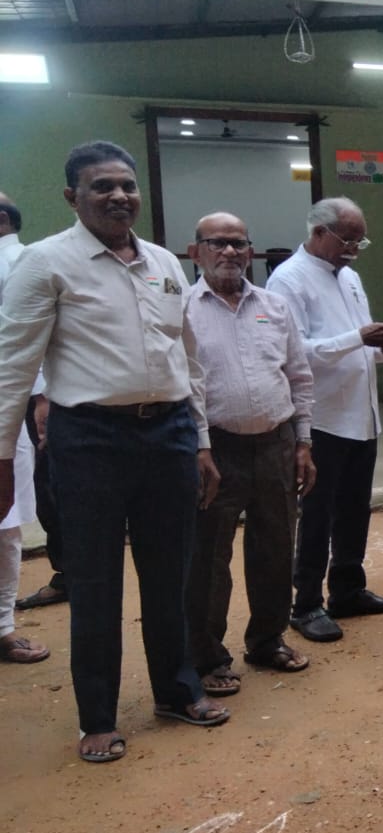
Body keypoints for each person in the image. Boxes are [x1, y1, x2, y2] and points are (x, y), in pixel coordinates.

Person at [0, 141, 229, 763]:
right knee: (96, 581)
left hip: (169, 435)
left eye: (126, 185)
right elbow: (13, 366)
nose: (119, 196)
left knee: (171, 574)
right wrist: (2, 458)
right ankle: (97, 716)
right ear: (73, 196)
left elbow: (188, 359)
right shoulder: (46, 264)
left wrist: (200, 441)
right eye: (102, 186)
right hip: (90, 440)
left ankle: (177, 692)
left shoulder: (161, 262)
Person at [184, 212, 316, 697]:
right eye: (217, 243)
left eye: (239, 243)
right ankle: (207, 655)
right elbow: (185, 388)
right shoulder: (182, 310)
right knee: (208, 557)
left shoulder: (275, 306)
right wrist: (198, 446)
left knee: (276, 546)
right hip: (215, 449)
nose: (230, 252)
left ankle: (266, 639)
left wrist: (303, 441)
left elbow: (299, 375)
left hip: (277, 444)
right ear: (195, 251)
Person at [266, 197, 383, 643]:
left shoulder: (349, 277)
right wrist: (358, 337)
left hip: (360, 414)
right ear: (318, 233)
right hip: (321, 417)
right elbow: (294, 352)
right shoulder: (287, 281)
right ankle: (306, 603)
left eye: (359, 239)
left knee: (353, 508)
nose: (355, 249)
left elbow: (360, 347)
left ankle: (348, 589)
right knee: (317, 512)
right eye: (348, 239)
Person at [0, 197, 67, 613]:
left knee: (46, 489)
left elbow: (36, 338)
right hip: (24, 394)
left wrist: (42, 396)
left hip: (26, 396)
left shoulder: (22, 261)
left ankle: (69, 574)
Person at [0, 194, 50, 667]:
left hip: (5, 407)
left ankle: (3, 627)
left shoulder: (20, 262)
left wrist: (39, 397)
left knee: (4, 523)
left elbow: (26, 340)